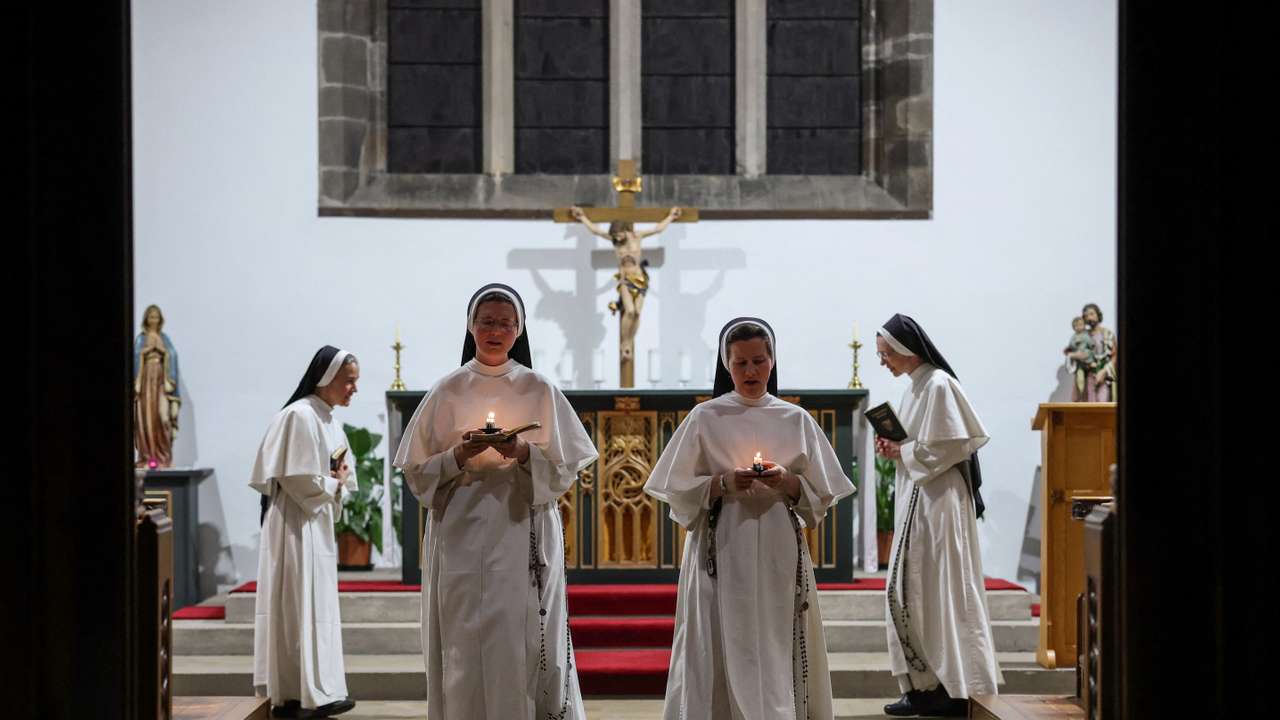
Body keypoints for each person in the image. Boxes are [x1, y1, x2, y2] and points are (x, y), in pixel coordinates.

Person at [393, 283, 598, 719]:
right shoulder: (447, 389)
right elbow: (416, 472)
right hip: (461, 533)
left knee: (517, 635)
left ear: (519, 330)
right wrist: (457, 456)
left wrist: (523, 453)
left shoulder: (538, 388)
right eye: (487, 321)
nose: (495, 330)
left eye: (506, 323)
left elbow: (566, 469)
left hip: (519, 528)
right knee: (465, 638)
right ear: (470, 327)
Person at [644, 317, 854, 720]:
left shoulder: (795, 420)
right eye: (740, 364)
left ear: (773, 361)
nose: (751, 372)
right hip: (721, 546)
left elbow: (819, 497)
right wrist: (722, 483)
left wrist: (790, 482)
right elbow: (677, 492)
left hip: (777, 545)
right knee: (719, 636)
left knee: (775, 636)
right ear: (726, 365)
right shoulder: (706, 418)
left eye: (759, 361)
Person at [875, 314, 1002, 717]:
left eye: (885, 354)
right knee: (910, 591)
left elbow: (956, 443)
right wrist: (895, 448)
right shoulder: (916, 388)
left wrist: (905, 451)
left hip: (940, 504)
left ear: (905, 350)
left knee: (941, 590)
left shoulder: (940, 385)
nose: (883, 362)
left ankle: (957, 689)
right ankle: (923, 686)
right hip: (919, 498)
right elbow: (919, 444)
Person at [249, 346, 360, 718]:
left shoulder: (327, 418)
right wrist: (333, 484)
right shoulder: (299, 415)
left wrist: (336, 483)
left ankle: (321, 689)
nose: (353, 389)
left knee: (317, 607)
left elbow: (338, 471)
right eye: (349, 381)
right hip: (294, 524)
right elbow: (296, 477)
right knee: (295, 605)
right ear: (326, 378)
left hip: (317, 521)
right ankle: (294, 694)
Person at [133, 304, 181, 467]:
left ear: (160, 319)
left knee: (163, 416)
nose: (153, 320)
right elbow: (135, 356)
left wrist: (163, 351)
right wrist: (145, 352)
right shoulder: (141, 338)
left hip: (161, 380)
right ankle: (148, 457)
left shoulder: (164, 338)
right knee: (146, 418)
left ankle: (163, 456)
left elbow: (172, 354)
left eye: (156, 317)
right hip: (146, 381)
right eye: (151, 317)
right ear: (146, 319)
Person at [1063, 316, 1091, 400]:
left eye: (1081, 324)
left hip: (1086, 358)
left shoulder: (1086, 335)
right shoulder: (1074, 337)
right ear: (1074, 327)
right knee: (1080, 378)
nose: (1079, 327)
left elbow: (1091, 344)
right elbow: (1071, 345)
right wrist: (1070, 348)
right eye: (1076, 325)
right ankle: (1081, 393)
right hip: (1079, 363)